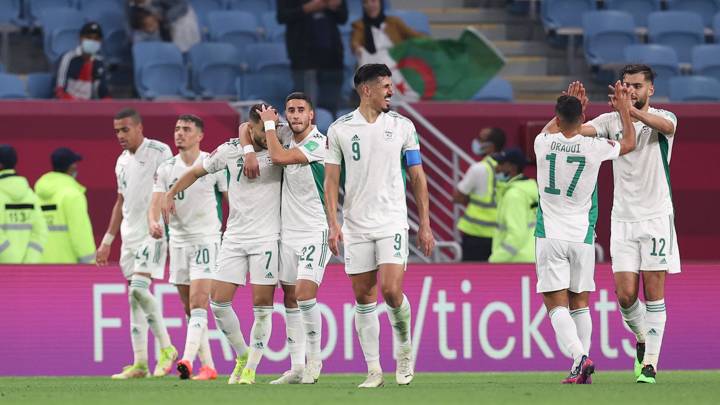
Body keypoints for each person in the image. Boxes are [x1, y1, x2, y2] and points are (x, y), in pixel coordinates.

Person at [324, 63, 435, 388]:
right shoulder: (340, 129)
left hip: (392, 222)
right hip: (356, 225)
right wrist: (334, 222)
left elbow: (417, 175)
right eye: (386, 86)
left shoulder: (403, 126)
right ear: (366, 90)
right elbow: (331, 180)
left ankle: (404, 351)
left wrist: (424, 224)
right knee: (363, 297)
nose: (392, 91)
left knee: (390, 290)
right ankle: (373, 370)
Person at [570, 65, 680, 384]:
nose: (631, 90)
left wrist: (630, 111)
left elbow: (665, 127)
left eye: (637, 85)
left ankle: (650, 365)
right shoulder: (609, 122)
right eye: (626, 85)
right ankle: (643, 338)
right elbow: (576, 132)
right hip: (622, 219)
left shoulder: (665, 119)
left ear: (650, 90)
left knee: (654, 293)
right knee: (626, 296)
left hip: (657, 217)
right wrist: (575, 110)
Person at [163, 104, 283, 385]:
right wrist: (171, 192)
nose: (270, 136)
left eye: (273, 130)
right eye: (263, 130)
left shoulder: (281, 146)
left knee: (262, 306)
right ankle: (242, 355)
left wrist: (265, 134)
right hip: (234, 238)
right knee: (218, 303)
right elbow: (195, 172)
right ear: (250, 128)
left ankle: (251, 368)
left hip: (267, 238)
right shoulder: (231, 149)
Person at [534, 85, 636, 384]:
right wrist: (624, 111)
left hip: (550, 234)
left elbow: (553, 126)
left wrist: (570, 108)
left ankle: (579, 358)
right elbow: (629, 143)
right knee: (580, 302)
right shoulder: (594, 146)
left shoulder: (543, 143)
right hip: (582, 236)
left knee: (556, 305)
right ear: (583, 118)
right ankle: (581, 368)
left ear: (557, 116)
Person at [249, 93, 331, 385]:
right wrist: (250, 146)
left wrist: (271, 127)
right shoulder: (283, 133)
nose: (295, 115)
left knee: (306, 294)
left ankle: (315, 360)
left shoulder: (319, 143)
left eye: (300, 111)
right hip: (288, 232)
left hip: (315, 230)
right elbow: (247, 128)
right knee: (291, 299)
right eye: (290, 111)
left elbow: (279, 157)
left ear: (311, 116)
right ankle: (296, 367)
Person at [96, 108, 177, 379]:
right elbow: (120, 202)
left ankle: (166, 348)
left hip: (152, 233)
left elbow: (170, 189)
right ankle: (140, 363)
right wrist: (108, 240)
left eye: (125, 129)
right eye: (117, 131)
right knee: (134, 299)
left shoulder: (159, 151)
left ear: (139, 128)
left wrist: (161, 222)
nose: (120, 135)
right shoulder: (120, 161)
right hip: (129, 238)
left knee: (138, 291)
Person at [148, 115, 227, 381]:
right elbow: (156, 200)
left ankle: (187, 359)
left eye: (186, 129)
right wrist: (153, 221)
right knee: (189, 308)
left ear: (200, 135)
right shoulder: (166, 168)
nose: (179, 133)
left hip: (206, 238)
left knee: (198, 302)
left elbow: (231, 200)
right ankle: (209, 366)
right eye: (177, 129)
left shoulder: (212, 163)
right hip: (178, 241)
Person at [277, 0, 348, 115]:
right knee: (304, 108)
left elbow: (343, 17)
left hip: (332, 56)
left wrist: (332, 5)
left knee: (331, 110)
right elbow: (282, 16)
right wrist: (307, 8)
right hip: (304, 57)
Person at [453, 127, 506, 261]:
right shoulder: (509, 168)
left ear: (490, 146)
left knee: (472, 276)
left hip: (475, 234)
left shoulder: (479, 168)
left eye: (481, 140)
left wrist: (469, 200)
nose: (477, 142)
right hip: (501, 234)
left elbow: (457, 197)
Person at [34, 147, 95, 264]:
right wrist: (90, 263)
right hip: (67, 268)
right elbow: (80, 234)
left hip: (39, 266)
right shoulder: (73, 196)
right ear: (72, 167)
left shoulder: (36, 195)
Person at [488, 148, 537, 263]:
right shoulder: (530, 189)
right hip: (532, 258)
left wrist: (495, 260)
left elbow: (516, 235)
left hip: (517, 260)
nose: (496, 167)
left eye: (501, 164)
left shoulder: (514, 195)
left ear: (512, 167)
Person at [0, 145, 47, 264]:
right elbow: (40, 232)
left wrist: (10, 264)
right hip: (26, 273)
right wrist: (28, 263)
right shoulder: (30, 195)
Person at [350, 0, 423, 62]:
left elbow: (413, 35)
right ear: (363, 6)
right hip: (372, 66)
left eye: (373, 1)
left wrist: (429, 41)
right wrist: (357, 48)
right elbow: (355, 42)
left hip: (396, 63)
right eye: (366, 2)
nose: (370, 5)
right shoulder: (359, 25)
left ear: (380, 3)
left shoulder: (394, 21)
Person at [55, 22, 110, 100]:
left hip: (89, 108)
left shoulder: (99, 62)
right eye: (88, 37)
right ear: (80, 38)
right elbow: (59, 90)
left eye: (96, 39)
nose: (92, 41)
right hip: (66, 105)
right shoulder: (68, 58)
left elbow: (102, 92)